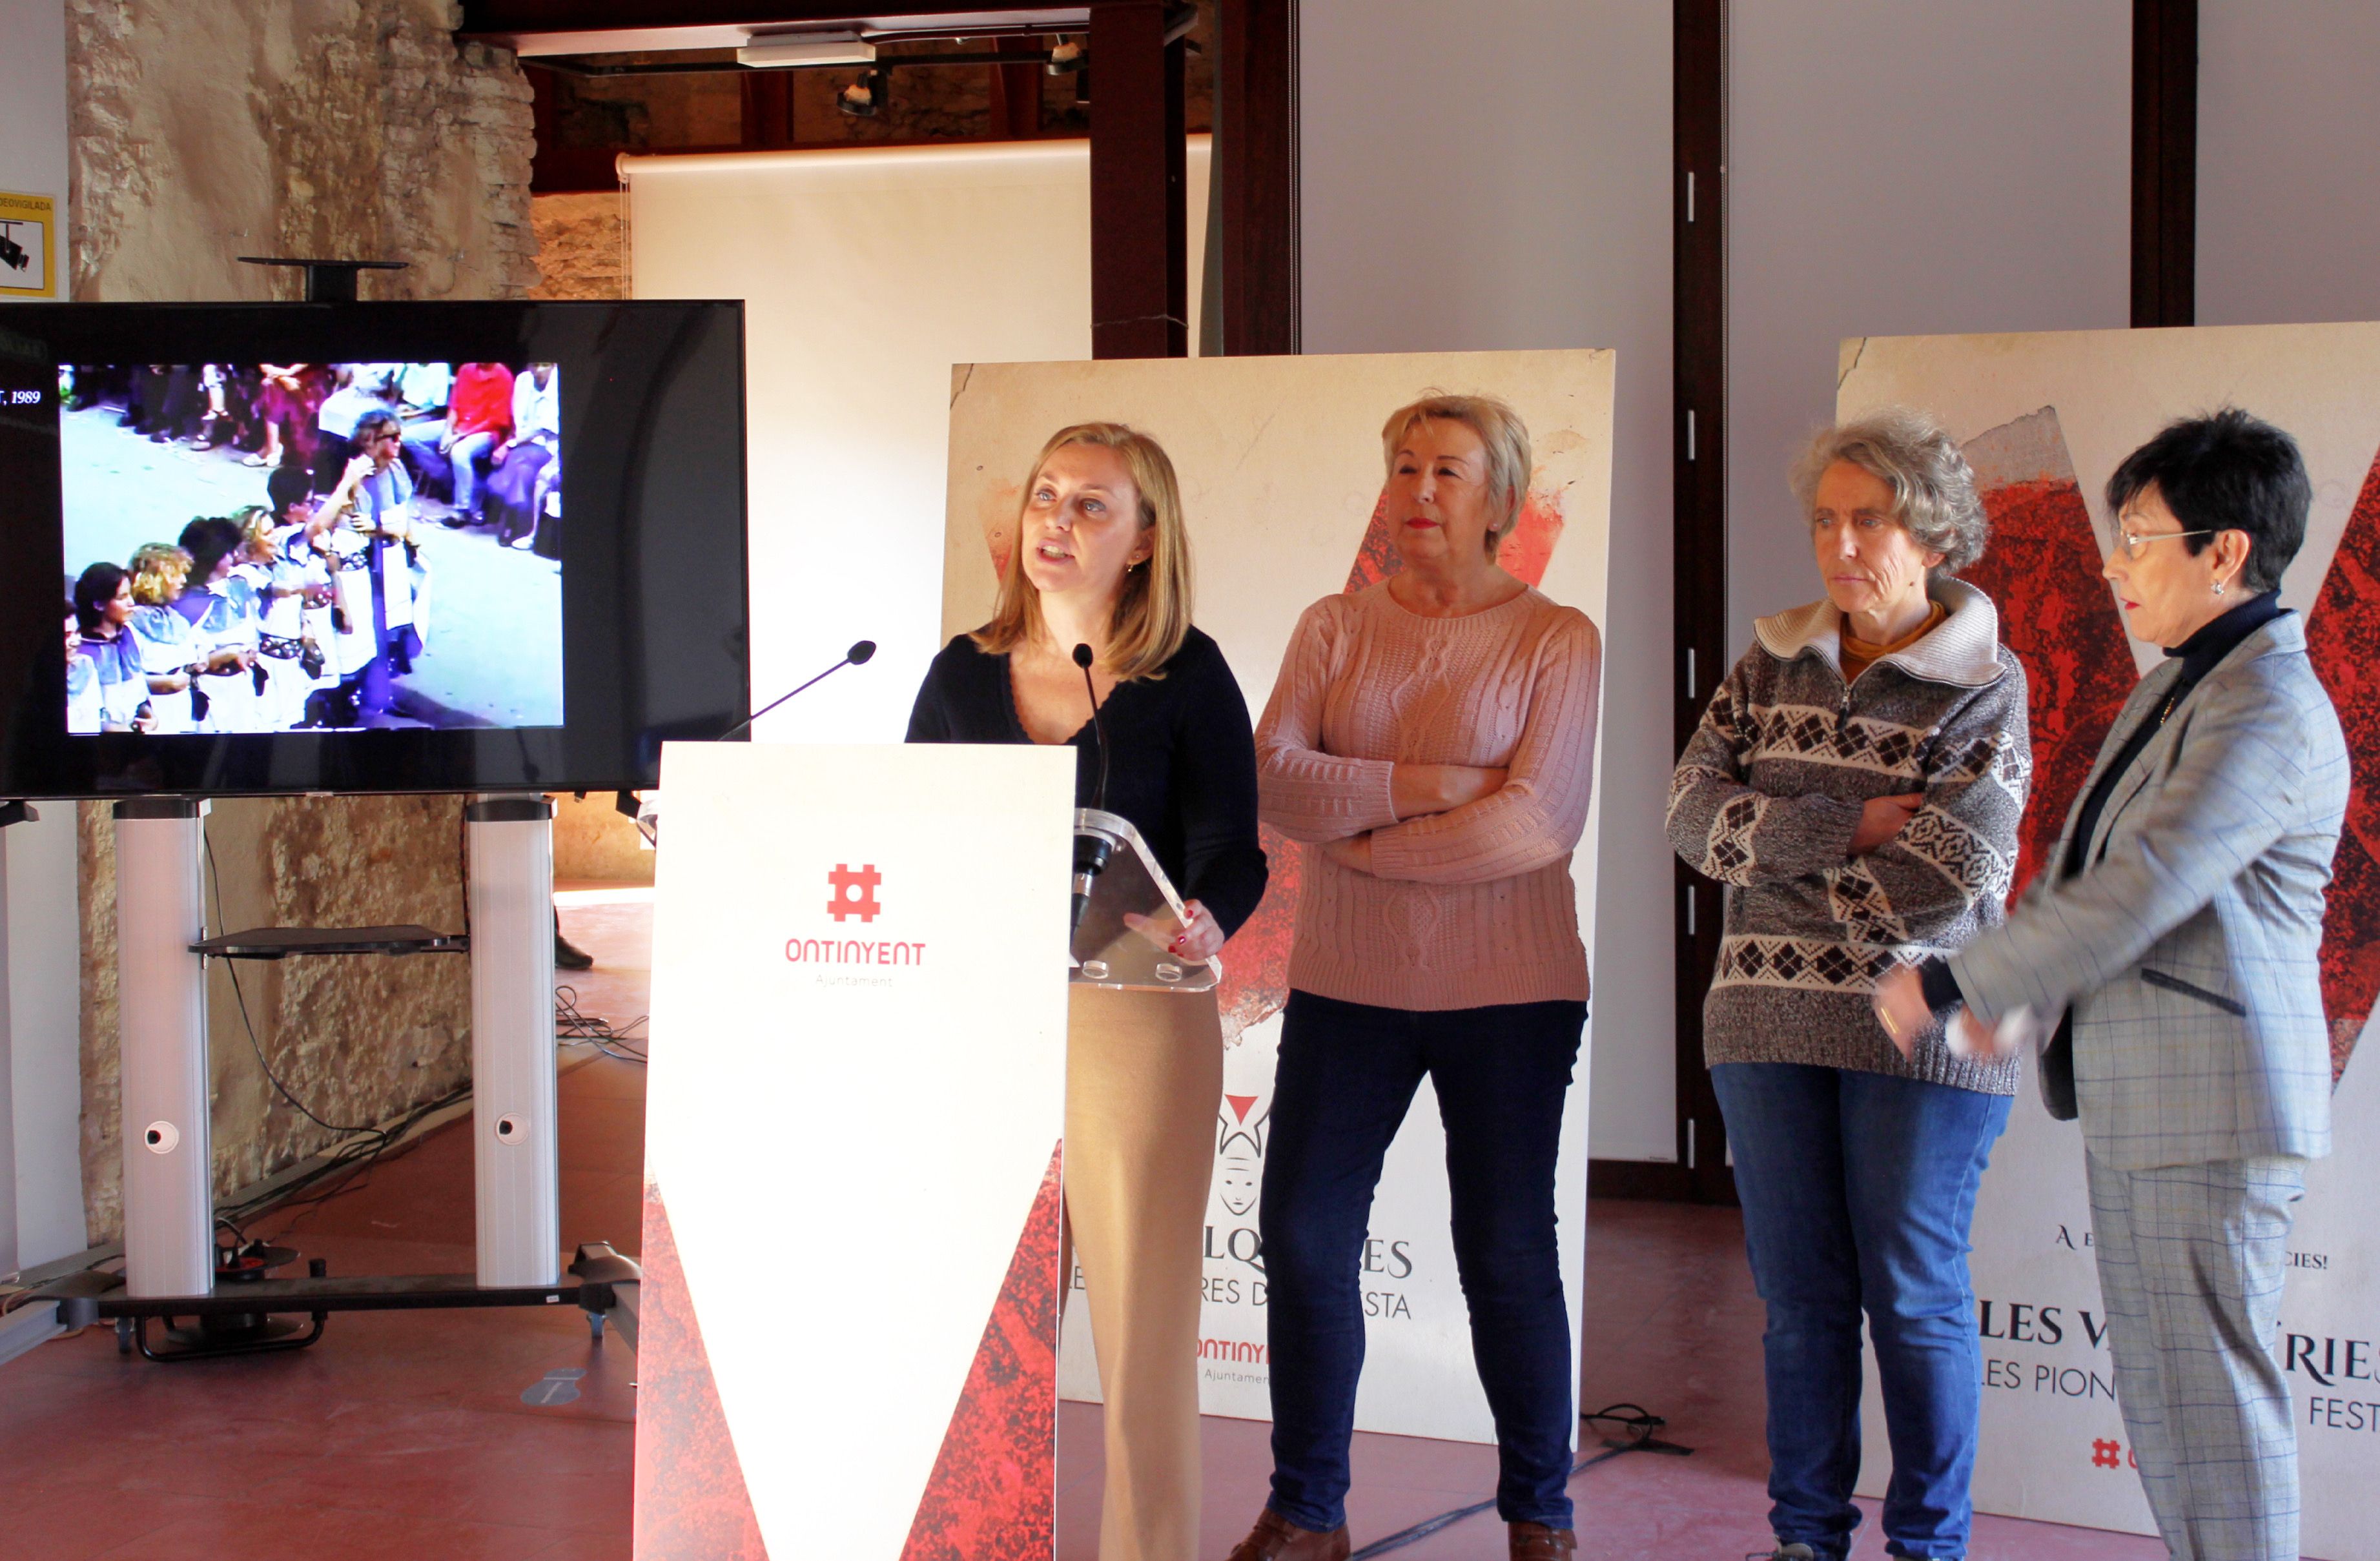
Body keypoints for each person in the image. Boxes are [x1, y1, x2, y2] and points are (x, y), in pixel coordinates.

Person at [1876, 409, 2348, 1561]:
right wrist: (2024, 995)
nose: (2111, 563)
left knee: (2212, 1413)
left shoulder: (2267, 704)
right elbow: (2094, 868)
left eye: (2138, 536)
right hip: (2158, 1100)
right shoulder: (2180, 684)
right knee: (2172, 1409)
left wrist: (1958, 979)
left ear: (2224, 551)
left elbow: (2150, 881)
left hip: (2213, 1105)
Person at [1238, 393, 1602, 1561]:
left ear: (1503, 500)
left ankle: (1540, 1517)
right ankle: (1307, 1510)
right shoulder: (1333, 625)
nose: (1420, 489)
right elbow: (1277, 782)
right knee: (1302, 1232)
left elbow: (1536, 823)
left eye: (1449, 469)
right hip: (1348, 984)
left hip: (1510, 993)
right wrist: (1430, 786)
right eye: (1403, 466)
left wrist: (1361, 839)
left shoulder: (1557, 638)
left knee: (1505, 1248)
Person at [1668, 411, 2029, 1561]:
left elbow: (1950, 874)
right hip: (1760, 1022)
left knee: (1912, 1296)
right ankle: (1805, 1539)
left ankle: (1927, 1547)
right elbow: (1687, 819)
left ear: (1934, 534)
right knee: (1800, 1304)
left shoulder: (1984, 681)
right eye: (1825, 519)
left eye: (1868, 519)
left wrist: (1775, 853)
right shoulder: (1767, 661)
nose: (1840, 543)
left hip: (1923, 1027)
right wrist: (1849, 823)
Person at [907, 422, 1266, 1561]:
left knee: (1139, 1331)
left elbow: (1232, 851)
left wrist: (1207, 914)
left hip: (1134, 1013)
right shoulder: (960, 671)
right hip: (986, 1015)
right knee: (987, 1325)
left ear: (1144, 541)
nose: (1055, 521)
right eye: (1045, 496)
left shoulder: (1186, 673)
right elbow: (910, 830)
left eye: (1090, 505)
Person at [125, 543, 231, 734]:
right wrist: (164, 683)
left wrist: (202, 653)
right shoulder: (130, 625)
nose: (183, 581)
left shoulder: (176, 620)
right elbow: (122, 684)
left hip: (182, 714)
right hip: (152, 717)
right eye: (176, 575)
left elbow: (200, 645)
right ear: (156, 578)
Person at [174, 516, 267, 733]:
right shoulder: (186, 605)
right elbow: (186, 663)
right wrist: (228, 654)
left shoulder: (241, 586)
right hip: (210, 694)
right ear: (214, 557)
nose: (236, 557)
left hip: (243, 688)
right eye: (229, 553)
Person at [413, 360, 512, 525]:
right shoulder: (466, 369)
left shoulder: (503, 375)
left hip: (486, 431)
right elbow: (454, 406)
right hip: (458, 425)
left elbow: (496, 420)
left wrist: (461, 436)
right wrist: (448, 431)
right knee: (411, 437)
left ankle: (461, 510)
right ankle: (450, 479)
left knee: (459, 452)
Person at [71, 562, 154, 731]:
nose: (131, 602)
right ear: (99, 604)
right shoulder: (80, 648)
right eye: (121, 598)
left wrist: (149, 716)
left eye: (130, 595)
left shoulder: (129, 634)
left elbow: (140, 692)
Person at [486, 362, 558, 548]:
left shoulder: (560, 383)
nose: (538, 371)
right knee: (523, 469)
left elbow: (542, 430)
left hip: (551, 446)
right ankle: (516, 524)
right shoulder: (523, 380)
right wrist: (511, 442)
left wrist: (508, 445)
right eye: (534, 365)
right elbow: (519, 423)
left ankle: (509, 518)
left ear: (553, 366)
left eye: (544, 365)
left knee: (520, 460)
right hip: (522, 443)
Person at [65, 604, 102, 734]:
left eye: (77, 632)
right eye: (66, 635)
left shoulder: (86, 665)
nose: (75, 641)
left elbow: (94, 722)